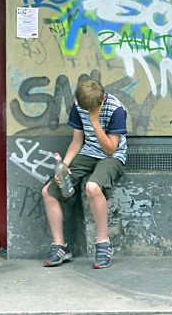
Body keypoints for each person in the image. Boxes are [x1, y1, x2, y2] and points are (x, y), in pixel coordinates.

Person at [41, 78, 127, 269]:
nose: (87, 112)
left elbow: (111, 149)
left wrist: (95, 122)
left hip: (112, 157)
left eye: (91, 109)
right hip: (88, 153)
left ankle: (103, 244)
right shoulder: (80, 106)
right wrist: (64, 166)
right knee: (49, 192)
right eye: (85, 109)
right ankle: (60, 246)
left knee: (93, 187)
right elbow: (77, 141)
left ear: (103, 98)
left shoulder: (116, 109)